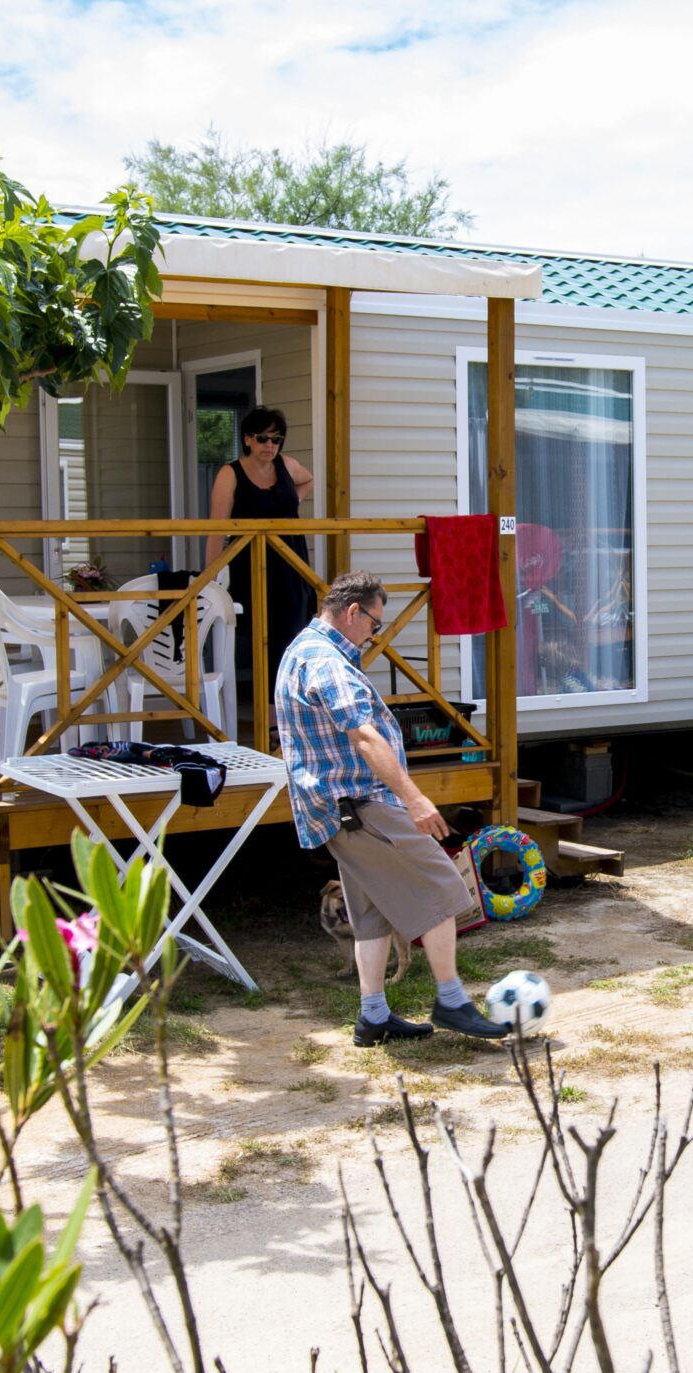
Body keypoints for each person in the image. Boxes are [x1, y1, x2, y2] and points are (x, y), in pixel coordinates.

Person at [274, 570, 508, 1046]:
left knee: (373, 910)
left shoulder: (304, 648)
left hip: (337, 807)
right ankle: (451, 1001)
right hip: (360, 805)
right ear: (352, 612)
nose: (374, 633)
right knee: (443, 885)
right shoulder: (327, 662)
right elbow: (363, 735)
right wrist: (414, 797)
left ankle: (374, 1016)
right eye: (374, 624)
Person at [209, 407, 316, 678]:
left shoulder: (288, 466)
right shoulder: (230, 473)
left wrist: (296, 499)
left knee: (292, 631)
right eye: (262, 438)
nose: (269, 445)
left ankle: (281, 713)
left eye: (276, 439)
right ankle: (265, 715)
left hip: (291, 560)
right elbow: (216, 529)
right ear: (247, 439)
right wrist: (208, 579)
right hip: (251, 562)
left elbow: (308, 479)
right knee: (260, 635)